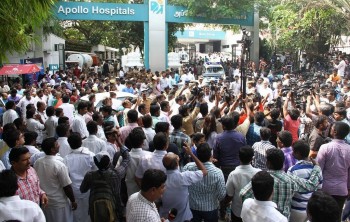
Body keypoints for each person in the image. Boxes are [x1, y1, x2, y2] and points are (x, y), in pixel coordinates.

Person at [240, 148, 323, 218]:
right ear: (283, 163)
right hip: (283, 217)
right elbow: (311, 185)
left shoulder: (262, 178)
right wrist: (317, 168)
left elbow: (243, 194)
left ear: (268, 163)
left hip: (262, 216)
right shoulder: (291, 179)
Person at [80, 140, 130, 222]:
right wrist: (118, 141)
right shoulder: (115, 174)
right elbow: (127, 159)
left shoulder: (90, 175)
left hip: (95, 208)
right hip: (113, 207)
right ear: (109, 163)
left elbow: (82, 190)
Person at [160, 142, 208, 222]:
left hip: (165, 217)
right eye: (177, 157)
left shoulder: (161, 179)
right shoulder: (184, 177)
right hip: (183, 218)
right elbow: (204, 171)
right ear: (177, 163)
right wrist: (191, 154)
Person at [34, 137, 77, 222]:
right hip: (59, 203)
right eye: (57, 145)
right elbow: (67, 186)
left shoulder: (37, 162)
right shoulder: (59, 165)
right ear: (52, 150)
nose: (59, 145)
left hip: (45, 202)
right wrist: (73, 201)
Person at [183, 143, 226, 222]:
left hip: (192, 207)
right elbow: (221, 195)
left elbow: (183, 186)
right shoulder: (217, 172)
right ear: (211, 156)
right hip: (211, 208)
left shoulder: (188, 167)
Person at [317, 121, 350, 221]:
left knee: (322, 217)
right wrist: (349, 188)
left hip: (325, 189)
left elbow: (319, 170)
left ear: (334, 132)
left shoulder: (325, 147)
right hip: (341, 190)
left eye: (331, 128)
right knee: (336, 217)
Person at [65, 133, 97, 222]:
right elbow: (96, 171)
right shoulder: (90, 155)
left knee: (77, 213)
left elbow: (66, 176)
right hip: (89, 189)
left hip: (74, 190)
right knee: (89, 211)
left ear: (69, 144)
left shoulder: (67, 158)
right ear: (81, 142)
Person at [288, 140, 323, 222]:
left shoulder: (292, 170)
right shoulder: (317, 169)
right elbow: (319, 189)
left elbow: (290, 190)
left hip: (296, 208)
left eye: (293, 151)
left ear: (298, 153)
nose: (292, 153)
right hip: (310, 208)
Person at [225, 146, 261, 222]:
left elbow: (229, 195)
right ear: (252, 158)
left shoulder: (233, 174)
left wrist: (225, 204)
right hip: (254, 212)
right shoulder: (258, 173)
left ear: (239, 157)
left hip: (238, 211)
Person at [214, 115, 247, 180]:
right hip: (238, 166)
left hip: (224, 167)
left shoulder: (218, 138)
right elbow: (245, 152)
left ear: (224, 126)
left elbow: (215, 155)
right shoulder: (241, 136)